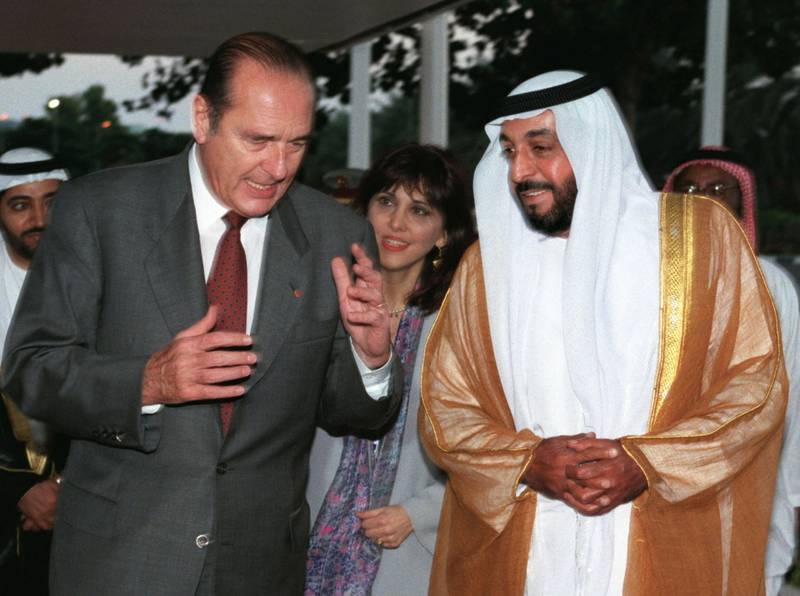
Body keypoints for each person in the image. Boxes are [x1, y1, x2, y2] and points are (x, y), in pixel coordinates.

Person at [1, 32, 402, 595]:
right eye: (258, 140)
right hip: (120, 561)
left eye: (297, 144)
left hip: (260, 568)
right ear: (202, 117)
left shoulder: (336, 233)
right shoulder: (99, 211)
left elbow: (354, 414)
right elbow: (32, 369)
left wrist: (374, 357)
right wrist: (147, 380)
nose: (278, 167)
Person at [418, 71, 788, 595]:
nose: (521, 170)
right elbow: (444, 406)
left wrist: (648, 463)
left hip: (659, 540)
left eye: (541, 147)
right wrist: (525, 460)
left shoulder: (700, 240)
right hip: (529, 553)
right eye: (509, 151)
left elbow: (756, 384)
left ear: (590, 140)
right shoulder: (488, 267)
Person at [305, 144, 475, 595]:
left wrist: (420, 513)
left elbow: (493, 447)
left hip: (411, 552)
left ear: (444, 233)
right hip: (310, 543)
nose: (396, 223)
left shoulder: (464, 324)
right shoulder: (325, 306)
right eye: (386, 202)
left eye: (419, 210)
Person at [665, 147, 800, 596]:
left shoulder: (770, 283)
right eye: (689, 188)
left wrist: (796, 495)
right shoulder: (645, 279)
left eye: (717, 189)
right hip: (659, 482)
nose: (702, 198)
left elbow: (792, 395)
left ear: (741, 202)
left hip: (750, 480)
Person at [0, 147, 69, 595]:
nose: (40, 219)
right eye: (21, 205)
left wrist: (67, 487)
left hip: (90, 497)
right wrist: (18, 491)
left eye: (52, 201)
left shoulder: (108, 276)